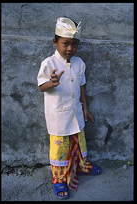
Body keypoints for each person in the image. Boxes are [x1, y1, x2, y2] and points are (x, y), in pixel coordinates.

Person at [37, 17, 102, 199]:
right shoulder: (49, 64)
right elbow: (41, 86)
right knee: (59, 149)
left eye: (74, 45)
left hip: (76, 113)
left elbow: (82, 86)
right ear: (55, 42)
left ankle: (82, 167)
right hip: (58, 116)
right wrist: (52, 82)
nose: (69, 49)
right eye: (65, 43)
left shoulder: (80, 63)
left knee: (79, 143)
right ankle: (58, 180)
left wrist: (85, 108)